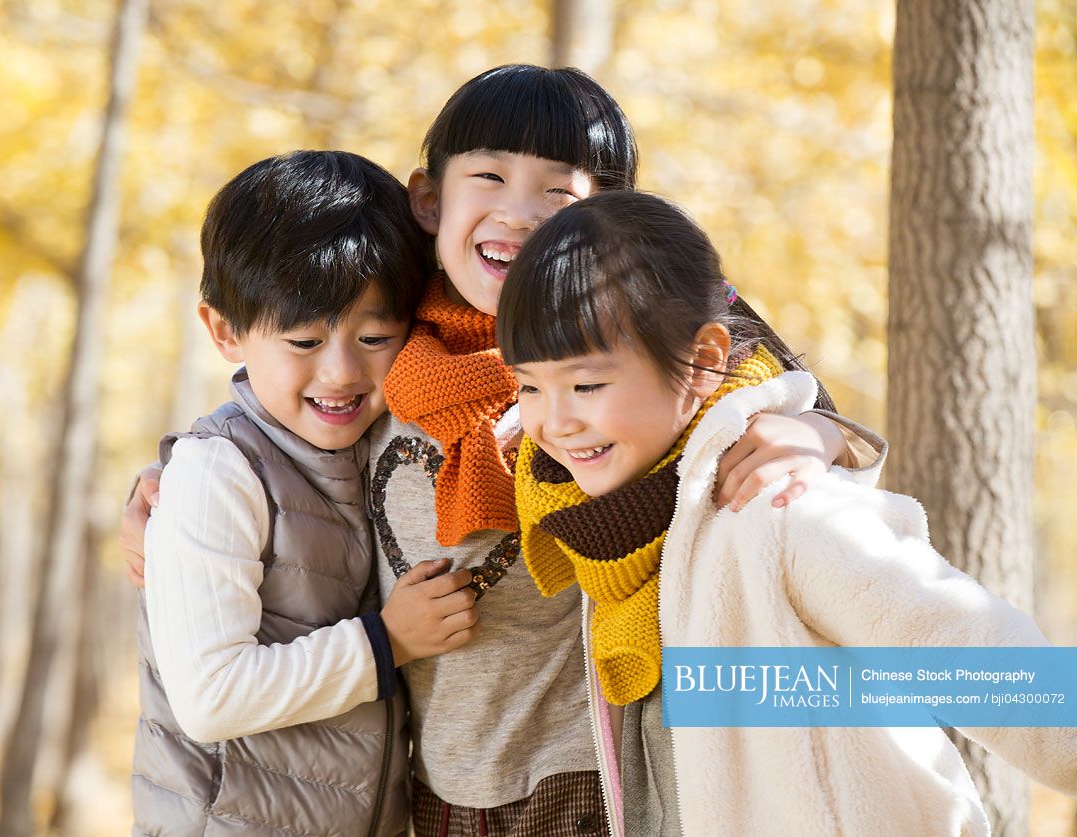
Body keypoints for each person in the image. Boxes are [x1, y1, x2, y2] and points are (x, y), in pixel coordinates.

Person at [123, 66, 883, 835]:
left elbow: (742, 357)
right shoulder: (392, 332)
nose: (518, 214)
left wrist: (817, 427)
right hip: (434, 785)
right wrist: (172, 481)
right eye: (488, 177)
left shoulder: (613, 357)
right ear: (430, 200)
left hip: (589, 765)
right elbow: (282, 404)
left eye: (559, 191)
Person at [499, 189, 1077, 835]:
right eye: (528, 384)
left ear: (705, 363)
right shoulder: (610, 534)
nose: (552, 419)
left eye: (585, 384)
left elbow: (982, 657)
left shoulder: (779, 509)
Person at [132, 150, 481, 837]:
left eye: (375, 335)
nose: (342, 370)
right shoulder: (220, 472)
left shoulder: (367, 446)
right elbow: (209, 697)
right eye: (302, 339)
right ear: (225, 330)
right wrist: (388, 642)